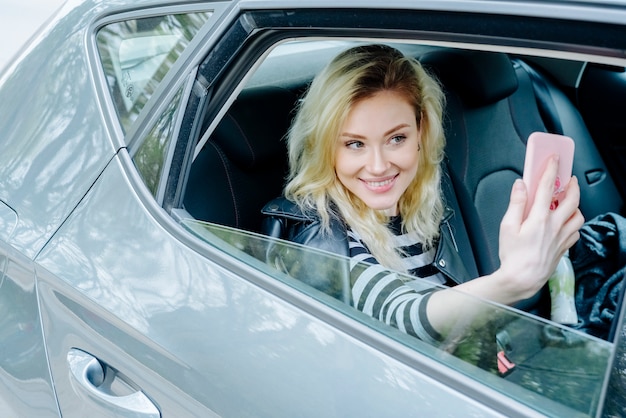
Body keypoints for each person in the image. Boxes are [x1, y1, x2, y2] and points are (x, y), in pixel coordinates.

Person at [261, 44, 584, 344]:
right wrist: (513, 280)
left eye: (396, 139)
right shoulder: (317, 232)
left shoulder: (416, 203)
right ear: (324, 146)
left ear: (421, 132)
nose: (377, 166)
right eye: (354, 144)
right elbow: (401, 316)